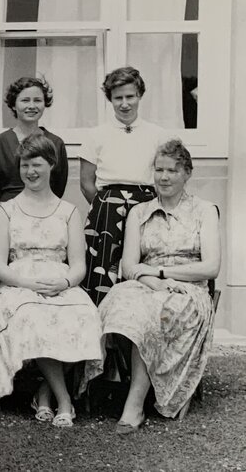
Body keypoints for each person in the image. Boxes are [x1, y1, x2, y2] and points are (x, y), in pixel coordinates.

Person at [82, 140, 220, 434]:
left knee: (153, 311)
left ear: (187, 173)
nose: (164, 177)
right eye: (159, 170)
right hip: (146, 283)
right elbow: (129, 266)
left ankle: (134, 403)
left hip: (188, 289)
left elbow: (211, 267)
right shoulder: (139, 212)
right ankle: (105, 386)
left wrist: (162, 274)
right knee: (119, 302)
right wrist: (152, 281)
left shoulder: (204, 211)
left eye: (172, 170)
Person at [0, 133, 102, 428]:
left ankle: (44, 392)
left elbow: (78, 266)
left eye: (36, 164)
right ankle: (64, 399)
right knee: (35, 317)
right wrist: (28, 284)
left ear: (51, 165)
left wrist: (64, 283)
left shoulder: (68, 211)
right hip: (19, 284)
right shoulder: (6, 210)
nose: (30, 172)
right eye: (25, 165)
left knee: (85, 316)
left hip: (59, 282)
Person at [79, 67, 173, 305]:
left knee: (143, 266)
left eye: (130, 96)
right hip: (106, 208)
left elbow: (167, 175)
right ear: (110, 99)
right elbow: (86, 183)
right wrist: (106, 207)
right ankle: (101, 321)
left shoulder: (159, 135)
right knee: (102, 267)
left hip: (146, 206)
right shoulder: (95, 135)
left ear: (140, 95)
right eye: (118, 98)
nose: (124, 104)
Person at [0, 77, 68, 205]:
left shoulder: (56, 143)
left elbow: (59, 184)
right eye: (25, 100)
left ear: (45, 104)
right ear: (13, 105)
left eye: (37, 100)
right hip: (8, 208)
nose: (31, 106)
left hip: (45, 208)